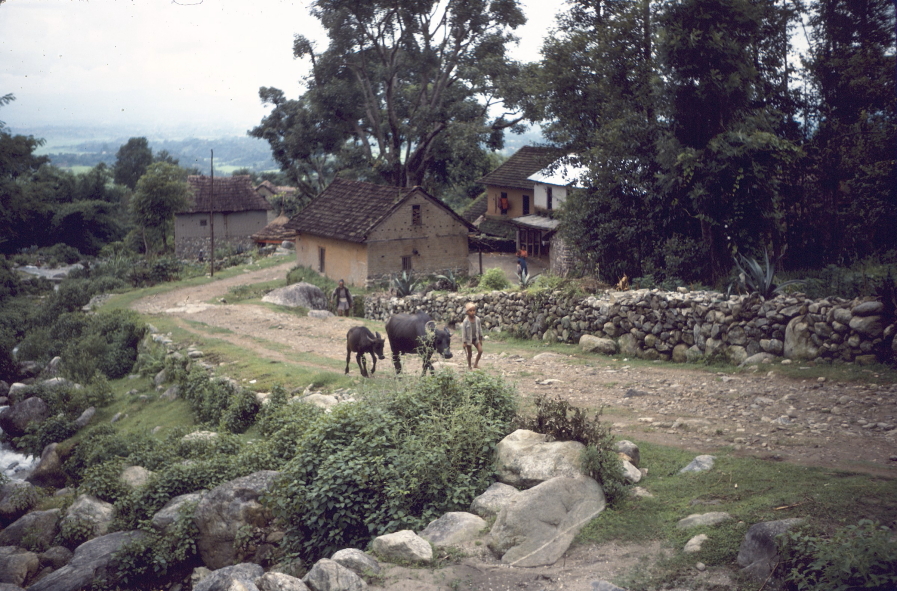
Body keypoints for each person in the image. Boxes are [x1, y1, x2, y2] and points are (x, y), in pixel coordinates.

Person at [461, 302, 483, 369]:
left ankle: (475, 364)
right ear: (467, 312)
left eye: (473, 310)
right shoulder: (465, 321)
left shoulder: (477, 320)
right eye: (470, 311)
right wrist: (464, 342)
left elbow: (480, 330)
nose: (472, 312)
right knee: (469, 354)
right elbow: (464, 332)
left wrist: (480, 339)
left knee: (480, 351)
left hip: (475, 338)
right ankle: (469, 366)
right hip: (468, 340)